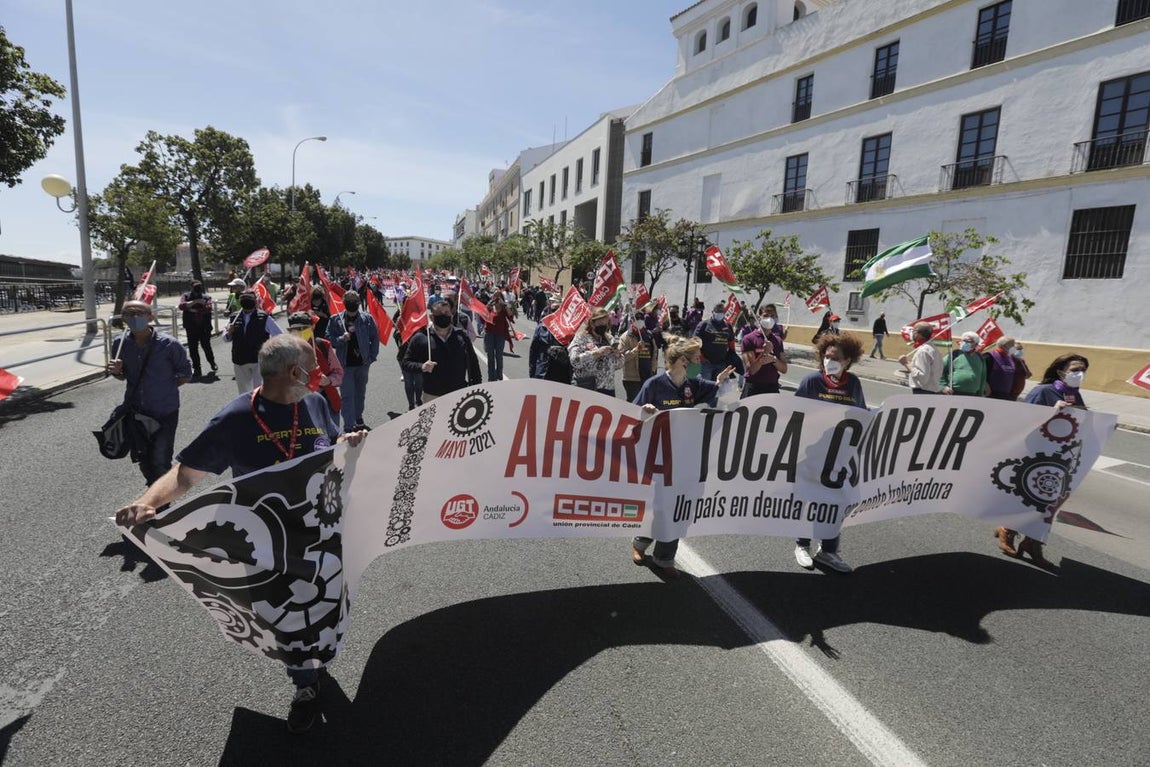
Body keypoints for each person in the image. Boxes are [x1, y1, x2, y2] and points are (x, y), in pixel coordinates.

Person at [114, 335, 368, 734]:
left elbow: (329, 443)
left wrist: (345, 441)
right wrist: (149, 502)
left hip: (320, 531)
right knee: (286, 618)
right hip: (265, 543)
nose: (318, 374)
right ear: (293, 372)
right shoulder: (234, 418)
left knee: (327, 605)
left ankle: (318, 662)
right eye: (312, 367)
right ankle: (305, 685)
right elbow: (185, 474)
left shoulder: (315, 403)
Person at [630, 336, 736, 576]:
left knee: (680, 507)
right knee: (660, 506)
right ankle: (640, 543)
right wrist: (644, 412)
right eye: (696, 359)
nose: (700, 363)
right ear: (681, 361)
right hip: (658, 458)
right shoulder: (654, 385)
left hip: (686, 457)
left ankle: (664, 559)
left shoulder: (694, 385)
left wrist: (720, 383)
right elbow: (632, 416)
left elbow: (718, 399)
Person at [993, 354, 1090, 567]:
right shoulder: (1043, 392)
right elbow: (1022, 422)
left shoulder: (1075, 395)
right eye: (1075, 369)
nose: (1079, 374)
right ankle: (1007, 530)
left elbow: (1079, 424)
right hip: (1036, 456)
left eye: (1083, 369)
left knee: (1047, 505)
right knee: (1028, 499)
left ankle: (1032, 542)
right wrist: (1052, 411)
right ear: (1060, 371)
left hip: (1060, 459)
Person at [793, 332, 868, 573]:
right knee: (808, 500)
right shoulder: (811, 381)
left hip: (839, 457)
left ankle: (827, 550)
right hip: (811, 454)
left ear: (847, 361)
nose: (829, 361)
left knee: (835, 503)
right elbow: (794, 414)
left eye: (835, 357)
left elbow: (862, 414)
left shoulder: (853, 383)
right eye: (826, 356)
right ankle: (802, 545)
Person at [107, 300, 193, 485]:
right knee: (143, 458)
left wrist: (164, 387)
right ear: (123, 319)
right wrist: (117, 372)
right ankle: (154, 490)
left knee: (161, 459)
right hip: (137, 411)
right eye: (130, 314)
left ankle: (162, 505)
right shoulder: (119, 343)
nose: (135, 317)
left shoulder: (169, 345)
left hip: (165, 410)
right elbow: (122, 377)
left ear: (150, 317)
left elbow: (186, 374)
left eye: (140, 313)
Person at [402, 299, 483, 401]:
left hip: (459, 395)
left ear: (451, 315)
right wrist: (421, 366)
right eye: (439, 313)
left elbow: (473, 364)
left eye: (446, 313)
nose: (443, 315)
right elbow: (406, 363)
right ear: (432, 317)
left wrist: (477, 388)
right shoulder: (422, 337)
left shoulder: (461, 336)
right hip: (432, 396)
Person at [326, 290, 379, 432]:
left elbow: (375, 338)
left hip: (362, 364)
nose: (352, 302)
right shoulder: (335, 319)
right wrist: (341, 338)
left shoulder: (367, 319)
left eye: (354, 299)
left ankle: (358, 417)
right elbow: (329, 340)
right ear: (343, 302)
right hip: (345, 365)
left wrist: (372, 357)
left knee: (360, 393)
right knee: (347, 395)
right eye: (349, 300)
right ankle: (349, 426)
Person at [287, 312, 343, 422]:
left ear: (312, 327)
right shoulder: (283, 351)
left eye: (304, 328)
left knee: (332, 437)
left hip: (326, 402)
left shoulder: (323, 346)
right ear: (289, 331)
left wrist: (328, 381)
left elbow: (338, 373)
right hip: (299, 406)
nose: (301, 332)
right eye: (296, 329)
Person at [224, 289, 283, 393]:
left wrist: (270, 351)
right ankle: (246, 409)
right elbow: (225, 338)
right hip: (239, 359)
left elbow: (279, 335)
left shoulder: (264, 317)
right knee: (243, 391)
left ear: (255, 300)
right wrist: (229, 333)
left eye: (249, 299)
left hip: (259, 360)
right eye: (244, 299)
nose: (246, 301)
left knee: (259, 390)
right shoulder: (234, 317)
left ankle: (258, 408)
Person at [568, 307, 625, 397]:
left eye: (606, 324)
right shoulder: (581, 338)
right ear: (592, 323)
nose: (603, 326)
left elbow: (619, 364)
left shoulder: (609, 339)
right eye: (600, 323)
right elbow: (575, 361)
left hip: (607, 389)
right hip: (586, 388)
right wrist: (597, 353)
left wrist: (618, 355)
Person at [740, 306, 788, 396]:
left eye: (772, 316)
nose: (769, 319)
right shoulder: (748, 339)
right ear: (759, 317)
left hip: (772, 387)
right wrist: (764, 353)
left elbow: (784, 369)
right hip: (753, 387)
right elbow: (751, 370)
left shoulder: (778, 340)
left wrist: (773, 359)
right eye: (766, 315)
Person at [618, 307, 662, 401]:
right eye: (636, 318)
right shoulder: (626, 337)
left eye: (641, 318)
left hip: (647, 376)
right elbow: (622, 357)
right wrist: (636, 350)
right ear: (631, 320)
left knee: (646, 403)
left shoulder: (649, 335)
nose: (639, 320)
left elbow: (654, 354)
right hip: (632, 378)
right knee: (633, 403)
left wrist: (653, 370)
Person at [693, 302, 742, 380]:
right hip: (706, 363)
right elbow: (695, 342)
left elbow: (731, 343)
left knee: (720, 388)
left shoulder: (728, 326)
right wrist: (701, 358)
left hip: (721, 363)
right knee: (706, 387)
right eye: (717, 311)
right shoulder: (703, 325)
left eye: (722, 311)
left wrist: (731, 357)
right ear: (713, 312)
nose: (720, 313)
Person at [178, 280, 217, 379]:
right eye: (195, 287)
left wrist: (192, 309)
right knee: (193, 348)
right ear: (191, 287)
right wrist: (195, 302)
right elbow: (182, 306)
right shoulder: (186, 296)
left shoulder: (206, 297)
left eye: (199, 287)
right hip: (191, 327)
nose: (197, 289)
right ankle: (197, 368)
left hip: (204, 327)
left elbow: (208, 308)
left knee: (206, 346)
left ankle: (212, 362)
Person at [392, 303, 423, 410]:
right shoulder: (401, 319)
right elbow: (395, 336)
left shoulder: (421, 321)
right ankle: (411, 404)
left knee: (419, 383)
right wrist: (400, 326)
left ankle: (418, 400)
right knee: (408, 383)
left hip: (419, 358)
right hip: (404, 358)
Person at [898, 322, 943, 394]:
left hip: (923, 391)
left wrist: (906, 363)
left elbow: (922, 377)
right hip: (932, 390)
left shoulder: (923, 351)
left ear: (919, 334)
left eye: (913, 331)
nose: (912, 333)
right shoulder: (934, 349)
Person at [941, 331, 989, 396]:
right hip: (952, 393)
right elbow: (939, 371)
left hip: (972, 396)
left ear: (976, 344)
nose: (965, 343)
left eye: (969, 341)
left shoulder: (980, 358)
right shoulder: (954, 355)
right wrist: (943, 386)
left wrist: (981, 394)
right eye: (964, 341)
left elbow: (983, 378)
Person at [984, 336, 1031, 400]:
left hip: (1007, 395)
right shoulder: (990, 356)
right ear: (1004, 345)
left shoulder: (1011, 358)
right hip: (991, 395)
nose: (1014, 347)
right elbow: (981, 374)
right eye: (1012, 345)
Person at [483, 295, 513, 382]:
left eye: (498, 297)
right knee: (490, 356)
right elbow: (483, 314)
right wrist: (489, 304)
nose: (496, 299)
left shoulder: (504, 309)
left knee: (499, 356)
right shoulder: (490, 307)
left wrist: (505, 305)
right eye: (495, 296)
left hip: (500, 335)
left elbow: (510, 316)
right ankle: (491, 377)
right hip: (489, 334)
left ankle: (499, 375)